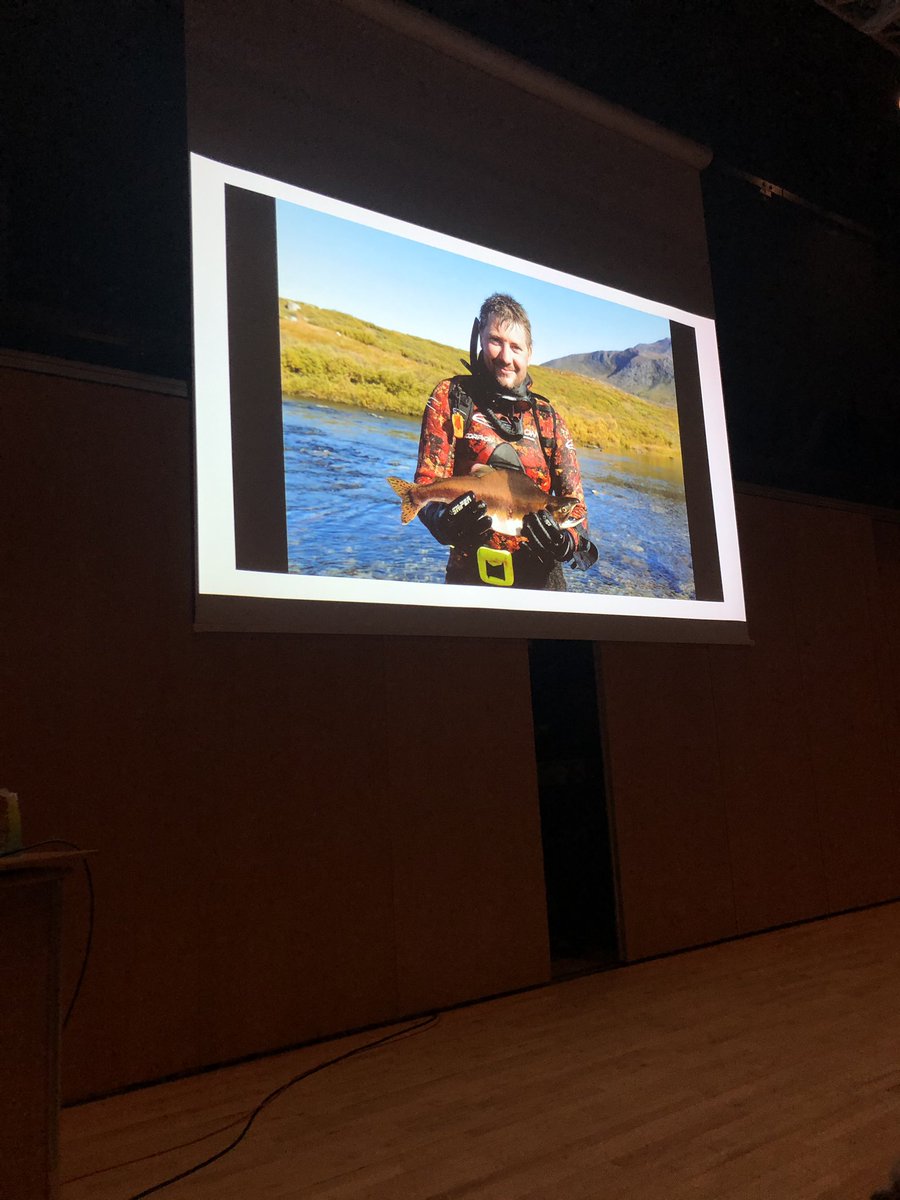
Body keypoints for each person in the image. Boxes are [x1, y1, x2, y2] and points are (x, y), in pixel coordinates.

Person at [414, 292, 598, 589]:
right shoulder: (451, 398)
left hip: (541, 586)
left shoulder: (549, 420)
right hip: (468, 583)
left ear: (529, 353)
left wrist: (564, 542)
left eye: (516, 346)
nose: (505, 357)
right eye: (495, 341)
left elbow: (578, 513)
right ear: (479, 338)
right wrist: (442, 521)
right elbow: (425, 484)